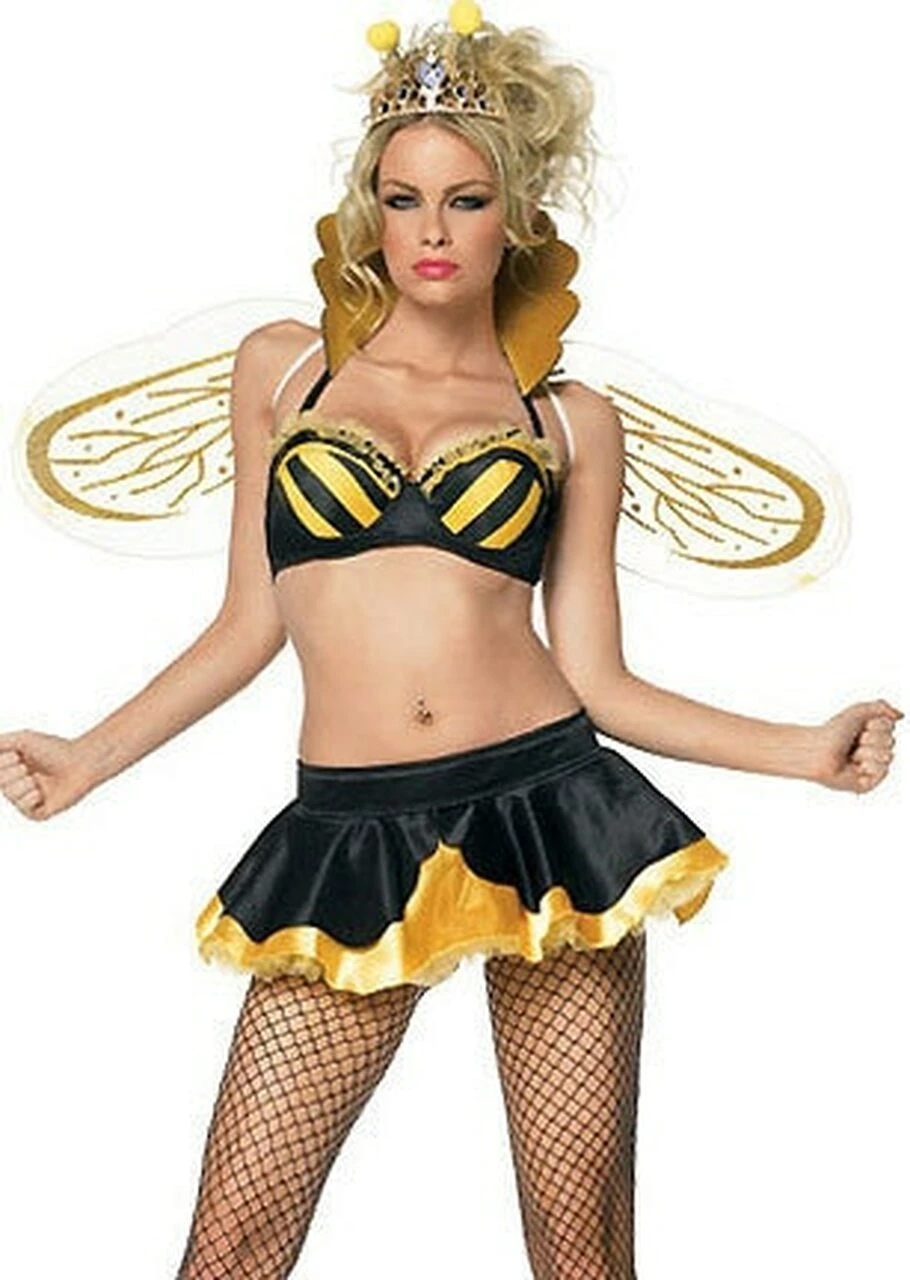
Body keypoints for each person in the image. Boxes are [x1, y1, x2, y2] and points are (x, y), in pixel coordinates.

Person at [0, 7, 901, 1279]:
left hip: (552, 814)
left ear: (514, 216)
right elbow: (250, 620)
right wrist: (87, 757)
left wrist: (804, 749)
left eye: (465, 200)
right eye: (403, 197)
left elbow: (598, 680)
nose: (431, 230)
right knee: (231, 1245)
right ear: (368, 209)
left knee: (578, 1246)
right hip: (350, 827)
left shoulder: (568, 419)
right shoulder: (283, 372)